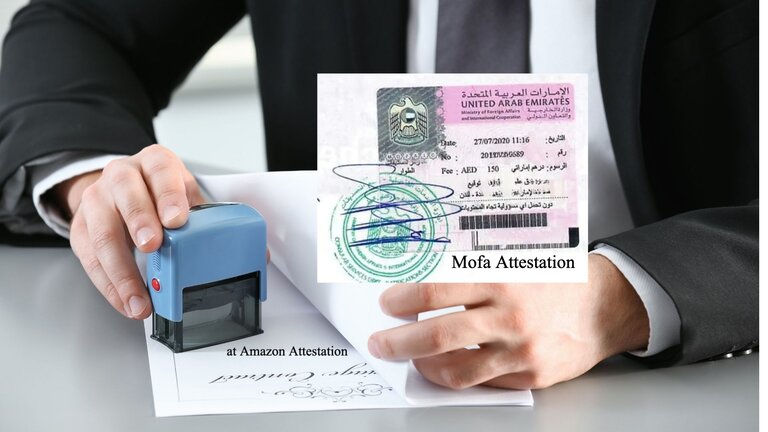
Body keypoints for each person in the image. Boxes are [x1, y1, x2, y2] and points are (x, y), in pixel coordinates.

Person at [0, 0, 757, 389]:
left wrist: (618, 296)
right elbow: (78, 22)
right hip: (356, 379)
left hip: (698, 376)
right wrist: (95, 179)